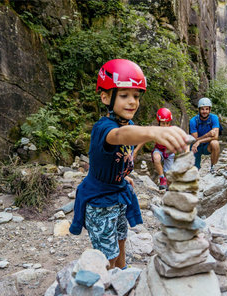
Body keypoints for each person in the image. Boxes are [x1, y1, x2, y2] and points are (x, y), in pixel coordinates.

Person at [69, 59, 188, 269]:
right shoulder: (104, 128)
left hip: (118, 193)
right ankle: (106, 283)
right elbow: (121, 136)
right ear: (106, 97)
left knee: (121, 239)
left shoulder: (129, 124)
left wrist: (122, 174)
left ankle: (122, 275)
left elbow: (129, 140)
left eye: (136, 96)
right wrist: (155, 131)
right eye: (124, 95)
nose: (132, 101)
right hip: (100, 201)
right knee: (108, 254)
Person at [134, 108, 175, 190]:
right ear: (159, 122)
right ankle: (162, 178)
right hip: (159, 150)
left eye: (167, 123)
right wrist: (135, 151)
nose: (165, 126)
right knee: (156, 157)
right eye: (163, 123)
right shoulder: (155, 131)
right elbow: (144, 139)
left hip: (169, 152)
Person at [189, 97, 220, 173]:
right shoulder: (193, 121)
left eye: (206, 109)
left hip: (207, 145)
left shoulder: (214, 118)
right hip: (196, 146)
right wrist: (208, 134)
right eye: (202, 109)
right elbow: (195, 139)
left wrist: (200, 141)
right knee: (194, 170)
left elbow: (215, 137)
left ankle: (213, 167)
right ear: (199, 110)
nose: (204, 111)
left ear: (210, 110)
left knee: (215, 143)